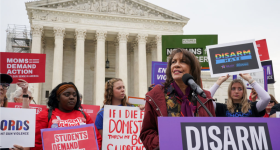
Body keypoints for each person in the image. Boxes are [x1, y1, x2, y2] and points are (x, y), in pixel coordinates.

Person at [140, 49, 216, 150]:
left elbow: (213, 130)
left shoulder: (204, 97)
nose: (176, 65)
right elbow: (147, 132)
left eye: (183, 61)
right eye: (173, 62)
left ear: (192, 68)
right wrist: (164, 144)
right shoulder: (156, 95)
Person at [30, 82, 102, 150]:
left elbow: (96, 138)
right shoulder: (45, 115)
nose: (72, 97)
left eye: (74, 95)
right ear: (58, 98)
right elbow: (36, 142)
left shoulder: (84, 115)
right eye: (67, 95)